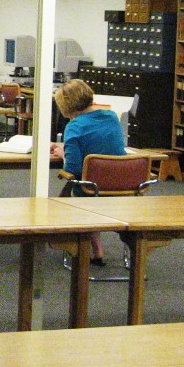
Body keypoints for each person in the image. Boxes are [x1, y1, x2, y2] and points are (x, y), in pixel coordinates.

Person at [50, 78, 126, 263]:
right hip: (123, 187)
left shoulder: (74, 127)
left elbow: (73, 169)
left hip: (91, 189)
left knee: (81, 189)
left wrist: (62, 153)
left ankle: (89, 247)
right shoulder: (112, 116)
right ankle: (97, 250)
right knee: (95, 190)